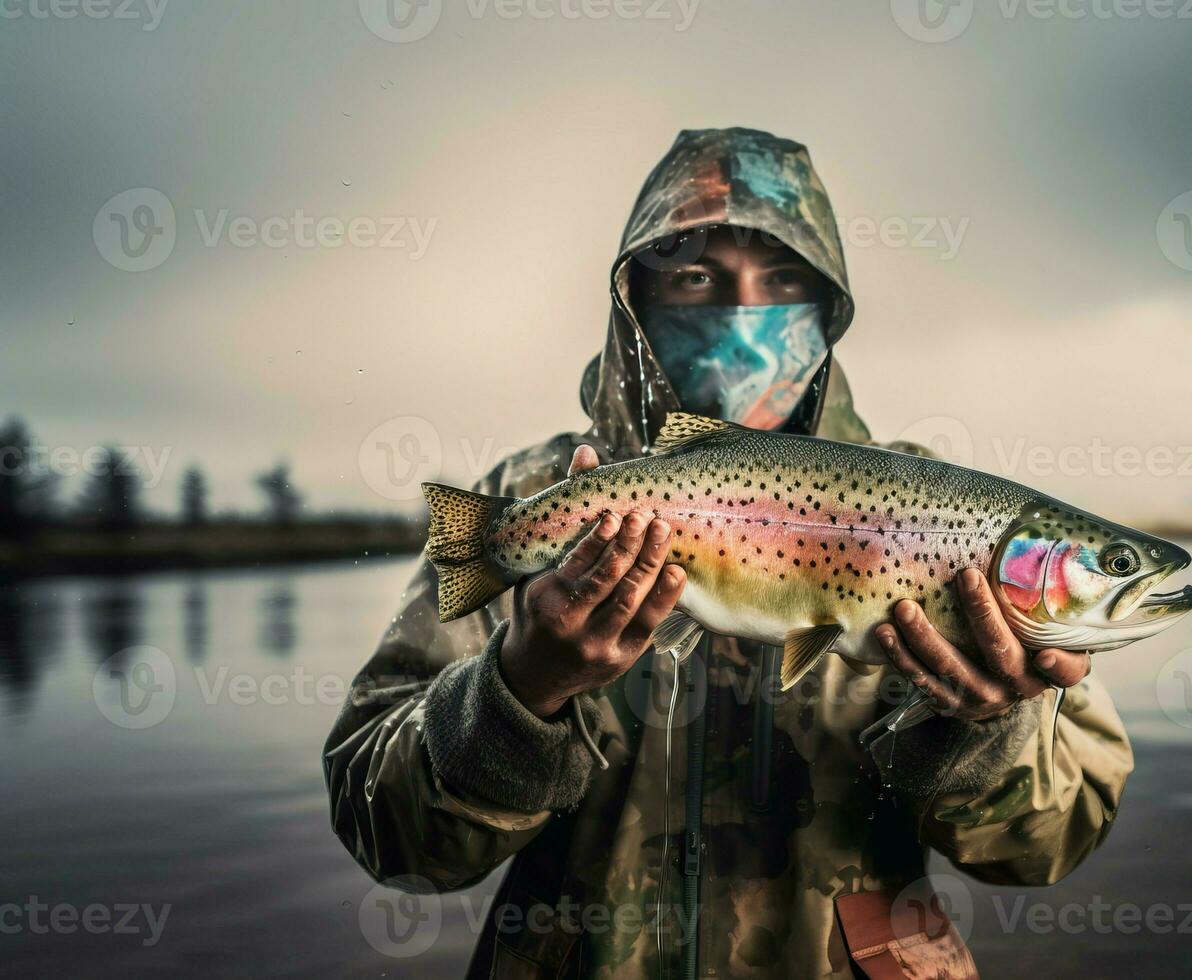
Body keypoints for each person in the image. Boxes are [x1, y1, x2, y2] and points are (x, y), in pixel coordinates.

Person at [324, 128, 1132, 979]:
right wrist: (521, 687)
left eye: (781, 280)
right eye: (697, 277)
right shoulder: (539, 495)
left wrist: (987, 731)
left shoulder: (945, 513)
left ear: (827, 310)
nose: (743, 313)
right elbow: (388, 834)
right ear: (637, 297)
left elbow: (1053, 845)